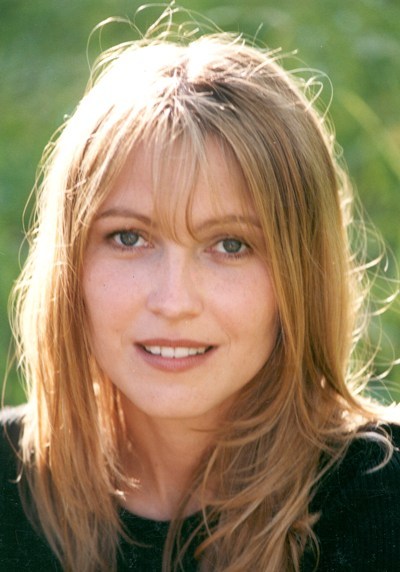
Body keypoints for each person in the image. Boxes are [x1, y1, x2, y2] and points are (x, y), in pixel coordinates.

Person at [1, 9, 399, 572]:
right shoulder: (10, 487)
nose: (173, 301)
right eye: (129, 237)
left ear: (300, 274)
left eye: (230, 245)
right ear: (71, 263)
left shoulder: (382, 496)